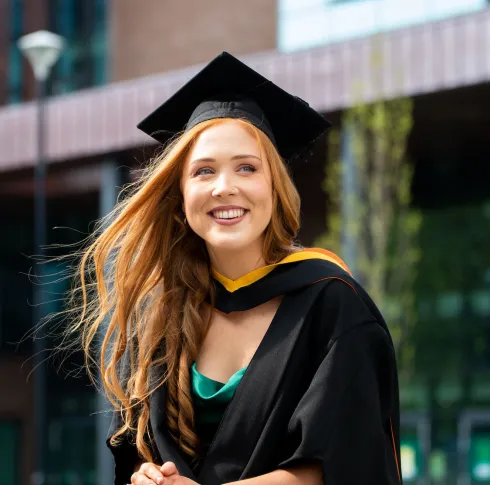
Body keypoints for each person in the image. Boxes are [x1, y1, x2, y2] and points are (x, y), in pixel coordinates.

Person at [74, 52, 401, 485]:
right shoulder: (158, 316)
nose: (224, 187)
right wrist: (146, 475)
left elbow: (344, 464)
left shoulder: (334, 305)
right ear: (181, 198)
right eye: (203, 171)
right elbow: (134, 447)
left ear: (274, 187)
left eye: (246, 168)